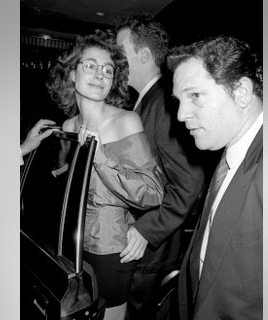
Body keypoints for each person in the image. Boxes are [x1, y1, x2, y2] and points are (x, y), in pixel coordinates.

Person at [46, 29, 165, 320]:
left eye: (107, 69)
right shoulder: (69, 125)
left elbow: (152, 192)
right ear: (72, 74)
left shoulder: (126, 121)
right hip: (67, 242)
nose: (100, 73)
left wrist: (101, 156)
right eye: (90, 65)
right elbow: (73, 183)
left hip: (109, 249)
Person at [114, 16, 207, 320]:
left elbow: (190, 181)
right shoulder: (145, 102)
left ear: (143, 56)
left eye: (120, 51)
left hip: (155, 249)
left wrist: (146, 229)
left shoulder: (165, 105)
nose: (115, 59)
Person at [167, 36, 263, 320]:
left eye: (195, 95)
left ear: (241, 92)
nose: (182, 114)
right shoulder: (230, 148)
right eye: (179, 100)